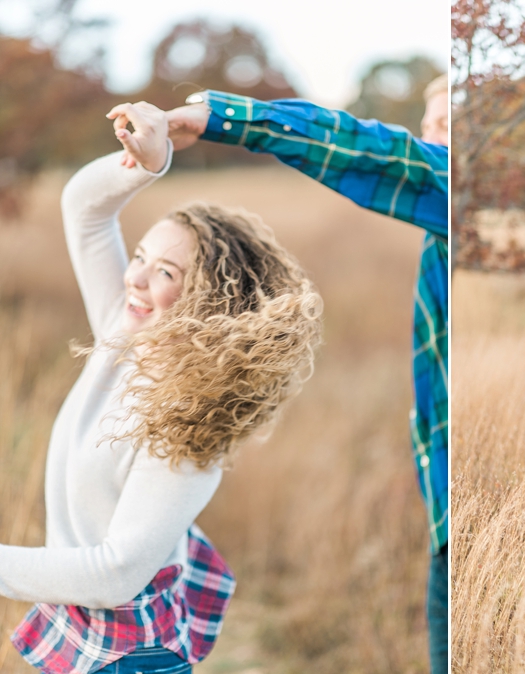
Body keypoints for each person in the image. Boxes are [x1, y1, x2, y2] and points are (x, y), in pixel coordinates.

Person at [118, 75, 450, 672]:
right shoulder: (445, 231)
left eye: (447, 127)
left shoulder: (450, 189)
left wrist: (218, 118)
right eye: (427, 126)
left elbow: (380, 154)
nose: (431, 140)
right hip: (446, 510)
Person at [0, 102, 323, 673]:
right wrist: (147, 162)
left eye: (166, 273)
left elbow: (115, 573)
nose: (137, 278)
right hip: (84, 633)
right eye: (142, 256)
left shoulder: (195, 424)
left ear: (209, 303)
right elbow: (84, 209)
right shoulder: (124, 333)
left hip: (128, 656)